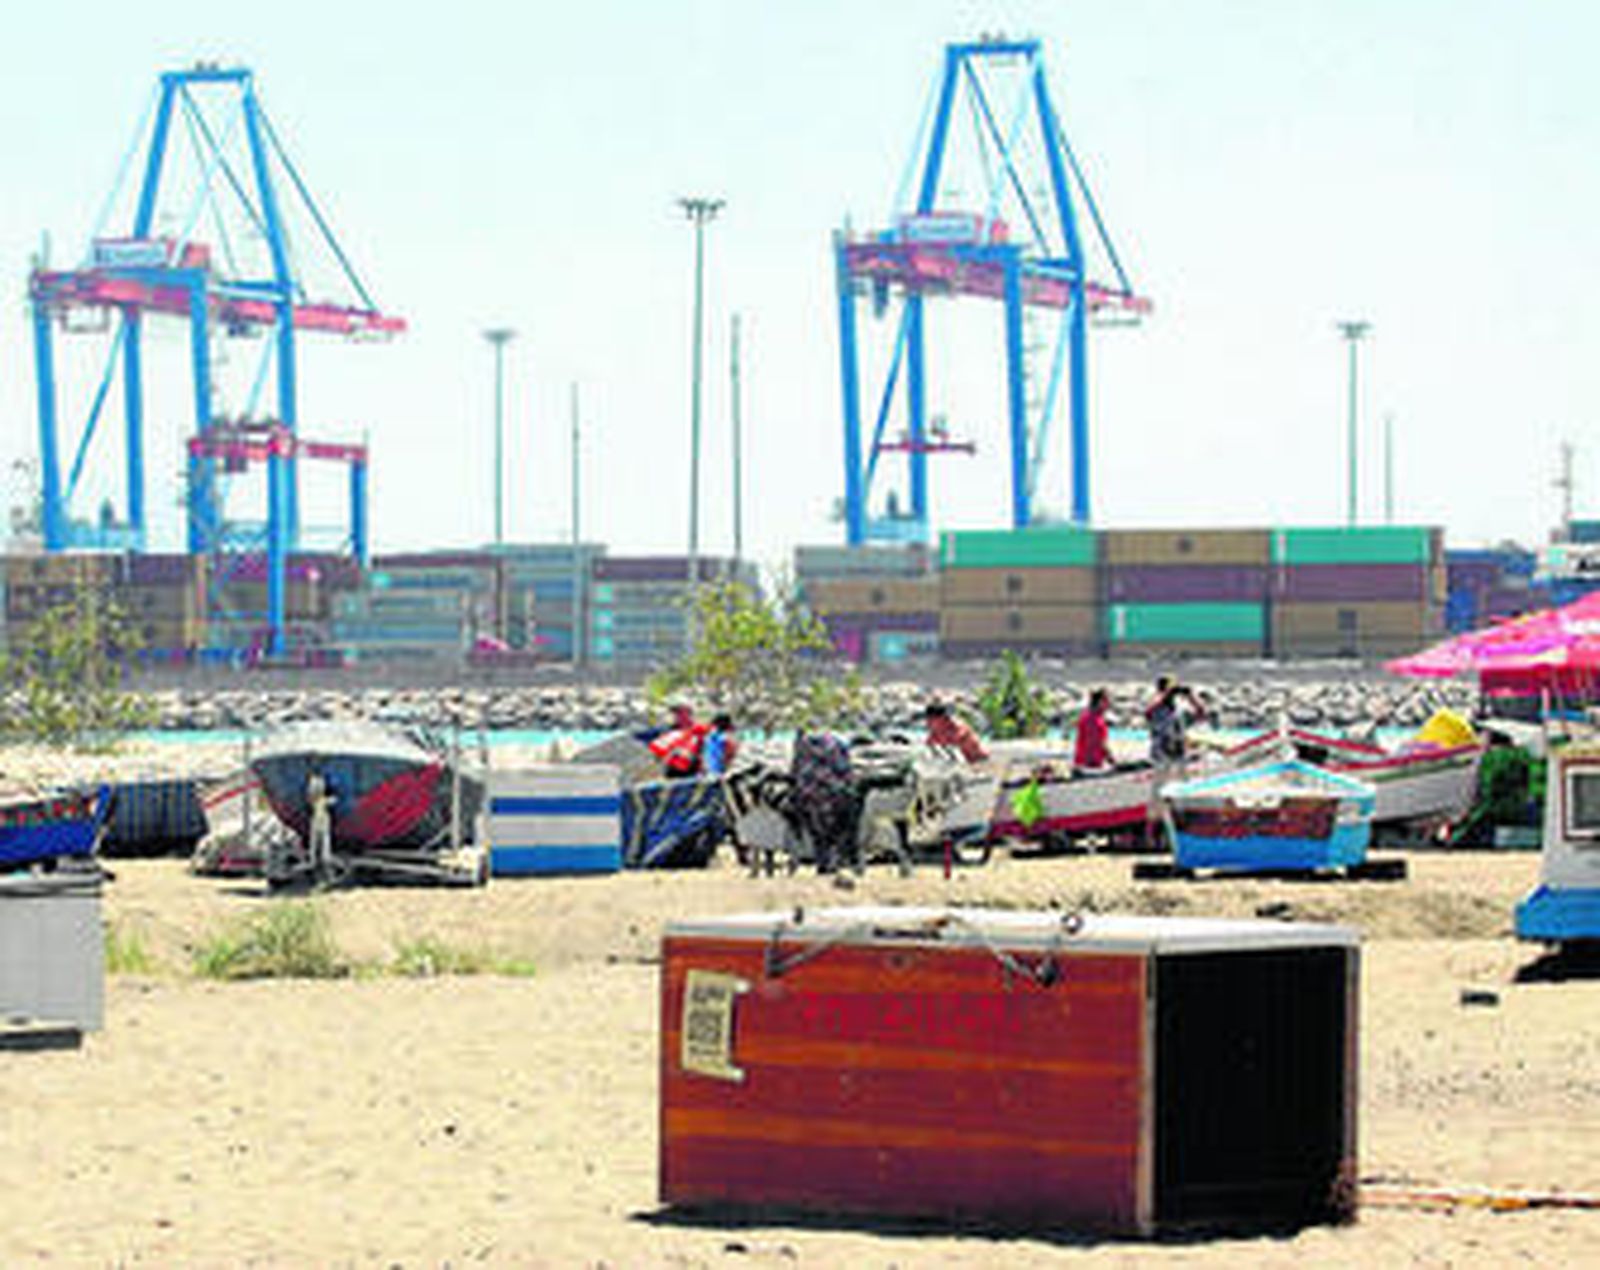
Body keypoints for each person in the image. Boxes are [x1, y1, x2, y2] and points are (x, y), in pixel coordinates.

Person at [789, 728, 859, 875]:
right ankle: (841, 857)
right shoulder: (836, 747)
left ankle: (823, 860)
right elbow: (844, 770)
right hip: (832, 796)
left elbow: (793, 773)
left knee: (816, 832)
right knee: (844, 823)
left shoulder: (802, 748)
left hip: (807, 798)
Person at [1144, 676, 1204, 764]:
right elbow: (1148, 710)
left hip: (1178, 753)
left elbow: (1201, 712)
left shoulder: (1179, 712)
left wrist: (1190, 696)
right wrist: (1166, 693)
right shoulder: (1157, 712)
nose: (1172, 694)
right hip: (1161, 754)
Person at [648, 702, 710, 778]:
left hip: (693, 774)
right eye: (675, 713)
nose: (677, 715)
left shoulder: (699, 731)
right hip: (672, 774)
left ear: (689, 712)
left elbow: (706, 751)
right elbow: (657, 755)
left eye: (680, 712)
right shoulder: (668, 731)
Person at [923, 701, 989, 763]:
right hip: (968, 759)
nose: (928, 722)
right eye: (928, 719)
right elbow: (930, 743)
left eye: (930, 719)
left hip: (979, 757)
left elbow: (958, 738)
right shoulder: (937, 729)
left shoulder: (956, 725)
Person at [1073, 688, 1113, 773]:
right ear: (1100, 702)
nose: (1108, 706)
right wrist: (1111, 759)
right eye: (1106, 702)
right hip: (1091, 765)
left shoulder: (1085, 716)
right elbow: (1100, 743)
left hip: (1081, 762)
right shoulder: (1096, 721)